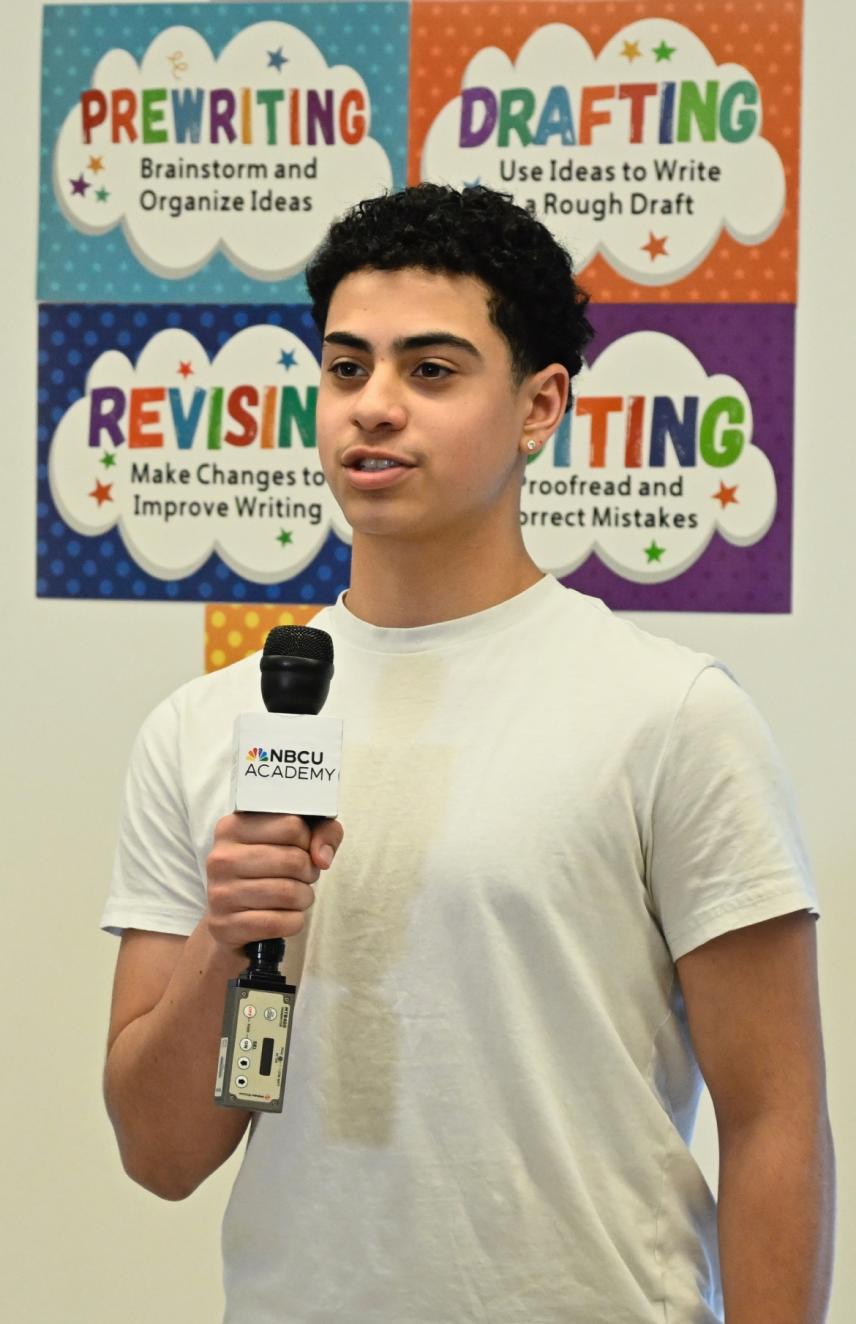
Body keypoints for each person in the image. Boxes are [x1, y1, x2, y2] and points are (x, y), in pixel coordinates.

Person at [101, 184, 828, 1323]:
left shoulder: (673, 714)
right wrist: (226, 935)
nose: (373, 408)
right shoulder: (205, 726)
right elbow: (158, 1153)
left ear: (540, 405)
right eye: (346, 368)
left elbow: (775, 1118)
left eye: (430, 371)